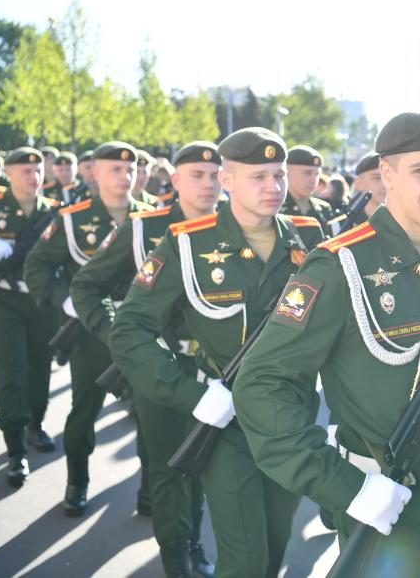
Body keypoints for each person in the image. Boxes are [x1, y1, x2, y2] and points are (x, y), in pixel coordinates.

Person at [232, 113, 420, 576]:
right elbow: (262, 387)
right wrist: (346, 487)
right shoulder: (339, 265)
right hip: (385, 503)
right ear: (387, 174)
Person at [109, 128, 324, 578]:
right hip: (226, 419)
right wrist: (192, 395)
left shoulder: (308, 237)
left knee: (274, 547)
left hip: (291, 418)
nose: (273, 187)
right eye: (258, 176)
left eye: (279, 174)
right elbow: (130, 329)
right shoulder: (188, 242)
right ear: (227, 181)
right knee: (244, 558)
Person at [71, 141, 222, 577]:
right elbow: (87, 285)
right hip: (160, 366)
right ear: (175, 180)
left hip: (216, 370)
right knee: (170, 465)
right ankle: (176, 557)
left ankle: (193, 543)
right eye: (197, 175)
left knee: (203, 462)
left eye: (215, 176)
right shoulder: (143, 228)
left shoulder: (234, 227)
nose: (208, 184)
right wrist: (123, 340)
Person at [24, 142, 153, 515]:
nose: (125, 176)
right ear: (95, 173)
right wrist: (67, 301)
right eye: (115, 169)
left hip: (142, 331)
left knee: (151, 413)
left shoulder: (152, 219)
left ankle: (150, 490)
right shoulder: (72, 219)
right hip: (92, 329)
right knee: (84, 410)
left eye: (130, 169)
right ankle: (77, 481)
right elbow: (36, 266)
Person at [0, 148, 62, 487]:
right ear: (8, 172)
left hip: (42, 302)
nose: (33, 177)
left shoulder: (55, 211)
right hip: (4, 300)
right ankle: (15, 447)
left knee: (39, 366)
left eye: (37, 170)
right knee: (10, 371)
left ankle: (36, 422)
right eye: (25, 171)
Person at [281, 145, 334, 227]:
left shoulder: (324, 209)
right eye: (307, 173)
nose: (314, 180)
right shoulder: (274, 208)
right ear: (287, 173)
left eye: (317, 174)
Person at [351, 150, 386, 218]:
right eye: (377, 178)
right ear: (358, 183)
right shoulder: (340, 224)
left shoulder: (404, 222)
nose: (385, 184)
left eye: (388, 177)